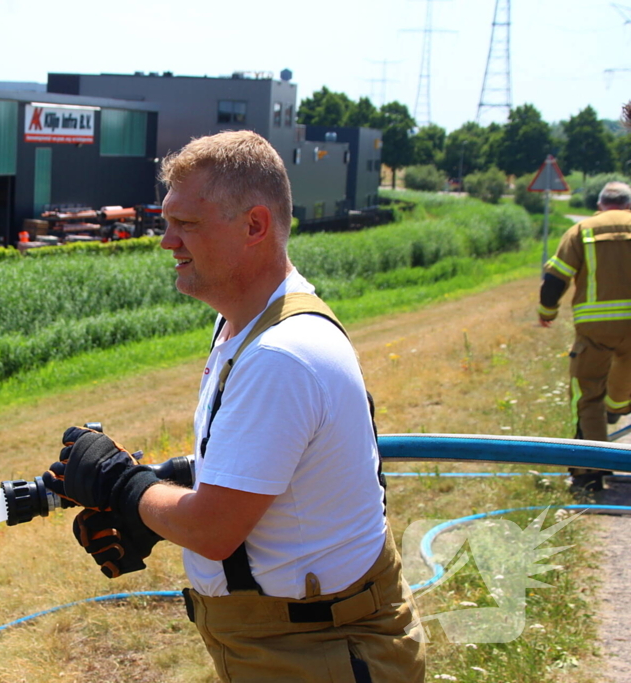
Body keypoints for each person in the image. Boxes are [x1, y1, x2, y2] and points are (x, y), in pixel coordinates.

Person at [44, 131, 425, 682]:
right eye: (167, 221)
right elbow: (266, 474)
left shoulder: (281, 355)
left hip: (320, 651)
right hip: (295, 640)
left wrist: (126, 488)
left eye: (187, 225)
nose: (166, 241)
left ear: (254, 226)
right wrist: (164, 493)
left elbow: (217, 529)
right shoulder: (244, 324)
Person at [539, 181, 631, 493]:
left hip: (596, 331)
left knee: (588, 395)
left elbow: (554, 279)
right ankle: (618, 408)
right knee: (620, 394)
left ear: (601, 204)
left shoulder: (583, 231)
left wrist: (547, 311)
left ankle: (591, 473)